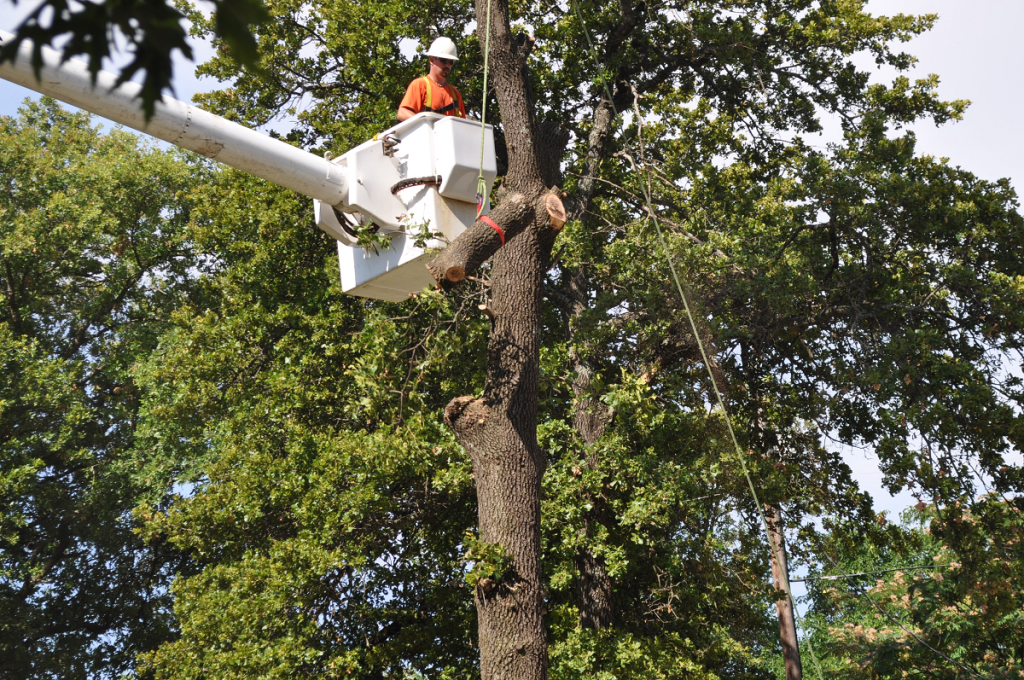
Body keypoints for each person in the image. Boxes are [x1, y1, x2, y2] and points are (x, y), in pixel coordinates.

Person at [397, 37, 467, 121]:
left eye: (450, 62)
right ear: (432, 60)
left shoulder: (455, 94)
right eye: (444, 60)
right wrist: (426, 124)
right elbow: (402, 113)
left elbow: (461, 124)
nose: (447, 65)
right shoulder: (420, 85)